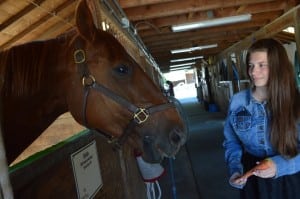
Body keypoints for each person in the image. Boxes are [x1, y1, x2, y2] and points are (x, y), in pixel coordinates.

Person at [223, 38, 300, 199]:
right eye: (251, 65)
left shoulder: (295, 102)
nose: (253, 72)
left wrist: (280, 166)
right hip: (252, 178)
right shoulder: (238, 102)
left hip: (291, 177)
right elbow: (232, 141)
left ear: (277, 67)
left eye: (261, 65)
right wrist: (235, 169)